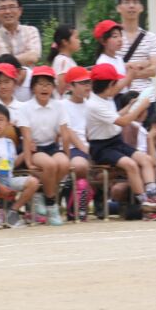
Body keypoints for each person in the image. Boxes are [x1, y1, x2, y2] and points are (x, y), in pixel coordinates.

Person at [85, 63, 156, 220]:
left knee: (145, 159)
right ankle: (145, 205)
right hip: (102, 147)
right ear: (109, 85)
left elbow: (116, 105)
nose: (117, 86)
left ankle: (153, 196)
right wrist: (140, 107)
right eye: (114, 83)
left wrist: (131, 75)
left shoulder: (105, 95)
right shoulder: (94, 104)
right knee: (130, 165)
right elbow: (123, 121)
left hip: (116, 142)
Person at [0, 104, 40, 229]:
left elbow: (13, 164)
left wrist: (26, 152)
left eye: (1, 120)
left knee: (33, 182)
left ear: (8, 123)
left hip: (7, 179)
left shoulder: (9, 142)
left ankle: (13, 212)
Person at [19, 66, 68, 226]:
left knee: (64, 163)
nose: (44, 88)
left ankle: (41, 192)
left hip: (52, 146)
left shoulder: (59, 106)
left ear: (53, 88)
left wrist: (67, 154)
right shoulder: (25, 108)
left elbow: (64, 133)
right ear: (33, 87)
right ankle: (52, 205)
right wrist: (28, 161)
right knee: (50, 165)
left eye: (48, 84)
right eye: (40, 84)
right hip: (36, 148)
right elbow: (26, 137)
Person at [116, 0, 156, 106]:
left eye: (135, 2)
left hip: (146, 98)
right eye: (127, 2)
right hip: (120, 96)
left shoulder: (151, 37)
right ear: (119, 8)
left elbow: (154, 70)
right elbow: (112, 69)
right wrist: (144, 63)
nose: (131, 6)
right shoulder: (114, 37)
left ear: (141, 7)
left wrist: (127, 71)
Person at [62, 66, 94, 219]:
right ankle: (75, 206)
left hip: (89, 146)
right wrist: (86, 149)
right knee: (80, 165)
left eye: (88, 82)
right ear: (70, 86)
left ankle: (81, 203)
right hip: (72, 148)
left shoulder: (91, 105)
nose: (87, 86)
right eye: (82, 83)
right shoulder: (63, 105)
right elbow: (68, 131)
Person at [94, 19, 136, 94]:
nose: (120, 39)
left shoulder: (119, 59)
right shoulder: (103, 63)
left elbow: (126, 85)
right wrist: (129, 76)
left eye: (120, 36)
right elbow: (110, 92)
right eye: (115, 36)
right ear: (103, 41)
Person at [48, 24, 81, 95]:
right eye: (76, 38)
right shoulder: (63, 61)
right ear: (65, 42)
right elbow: (61, 90)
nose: (79, 41)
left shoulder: (66, 59)